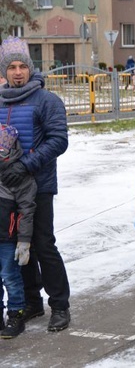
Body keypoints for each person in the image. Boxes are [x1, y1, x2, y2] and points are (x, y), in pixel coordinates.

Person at [0, 36, 70, 332]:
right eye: (12, 67)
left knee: (42, 244)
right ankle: (31, 302)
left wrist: (26, 164)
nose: (18, 72)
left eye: (22, 67)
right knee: (16, 246)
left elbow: (58, 140)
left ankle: (60, 305)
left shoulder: (47, 101)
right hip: (5, 189)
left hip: (38, 186)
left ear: (31, 69)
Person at [0, 125, 36, 339]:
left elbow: (26, 210)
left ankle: (16, 313)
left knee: (10, 276)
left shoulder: (18, 176)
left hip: (8, 237)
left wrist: (24, 241)